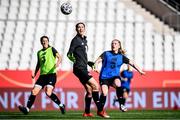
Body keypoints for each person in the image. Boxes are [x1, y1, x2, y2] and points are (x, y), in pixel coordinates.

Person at [94, 39, 145, 117]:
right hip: (104, 77)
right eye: (112, 43)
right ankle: (100, 111)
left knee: (118, 83)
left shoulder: (122, 57)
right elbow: (97, 61)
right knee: (104, 93)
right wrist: (96, 67)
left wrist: (140, 70)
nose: (113, 45)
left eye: (115, 43)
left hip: (114, 76)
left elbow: (132, 63)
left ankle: (121, 105)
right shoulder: (106, 53)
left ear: (119, 46)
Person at [67, 22, 109, 118]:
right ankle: (100, 110)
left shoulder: (84, 40)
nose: (80, 28)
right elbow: (69, 54)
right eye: (78, 27)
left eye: (82, 27)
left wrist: (89, 63)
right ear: (76, 29)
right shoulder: (75, 40)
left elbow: (82, 57)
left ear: (84, 28)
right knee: (95, 86)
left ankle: (87, 112)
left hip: (83, 67)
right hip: (79, 68)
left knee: (89, 90)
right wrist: (76, 61)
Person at [18, 36, 65, 115]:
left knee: (48, 92)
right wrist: (35, 73)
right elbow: (38, 64)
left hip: (51, 74)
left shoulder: (52, 49)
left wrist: (57, 64)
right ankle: (27, 109)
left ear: (48, 41)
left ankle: (61, 105)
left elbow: (60, 57)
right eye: (43, 41)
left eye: (46, 41)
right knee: (34, 91)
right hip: (42, 76)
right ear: (41, 42)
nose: (44, 42)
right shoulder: (39, 52)